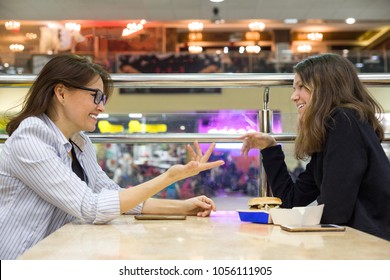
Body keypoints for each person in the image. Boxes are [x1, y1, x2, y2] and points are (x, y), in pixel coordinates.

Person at [0, 54, 224, 259]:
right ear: (61, 93)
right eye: (95, 96)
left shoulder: (79, 142)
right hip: (19, 261)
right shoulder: (30, 138)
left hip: (53, 256)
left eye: (103, 99)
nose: (101, 108)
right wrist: (169, 177)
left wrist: (184, 207)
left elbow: (114, 197)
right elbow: (91, 208)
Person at [240, 53, 390, 241]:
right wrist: (270, 148)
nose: (294, 96)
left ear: (326, 87)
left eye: (301, 86)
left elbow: (336, 212)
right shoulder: (334, 128)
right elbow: (291, 199)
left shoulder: (343, 121)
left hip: (373, 246)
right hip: (360, 239)